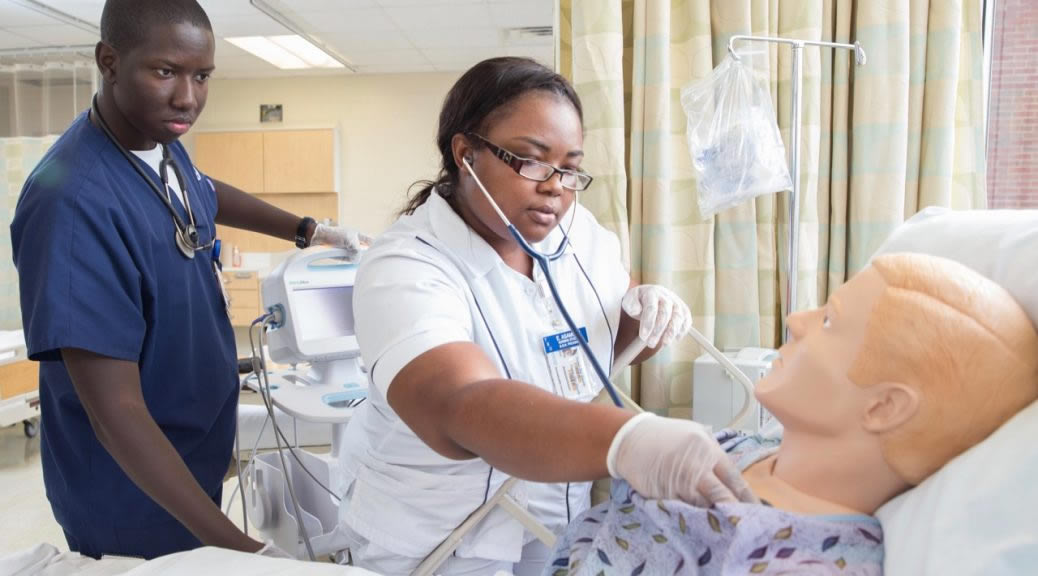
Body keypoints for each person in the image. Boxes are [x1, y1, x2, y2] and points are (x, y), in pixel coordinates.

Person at [337, 57, 757, 576]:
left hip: (550, 513)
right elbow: (458, 404)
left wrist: (649, 315)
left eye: (569, 167)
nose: (554, 186)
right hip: (436, 538)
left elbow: (607, 343)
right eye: (532, 161)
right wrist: (627, 439)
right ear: (466, 154)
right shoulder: (405, 265)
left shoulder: (575, 232)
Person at [9, 0, 365, 560]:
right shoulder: (73, 205)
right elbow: (116, 414)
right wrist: (243, 551)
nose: (188, 98)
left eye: (201, 76)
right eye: (165, 72)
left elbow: (202, 188)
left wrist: (308, 229)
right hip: (130, 489)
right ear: (109, 61)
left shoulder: (158, 146)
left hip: (189, 456)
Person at [547, 252, 1038, 574]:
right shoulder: (741, 448)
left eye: (829, 320)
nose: (795, 321)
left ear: (884, 406)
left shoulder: (805, 561)